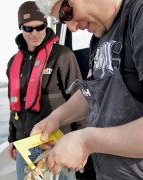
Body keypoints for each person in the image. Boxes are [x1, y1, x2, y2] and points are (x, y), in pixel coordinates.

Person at [31, 0, 143, 179]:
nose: (72, 27)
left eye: (66, 13)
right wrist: (56, 118)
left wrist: (86, 142)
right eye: (63, 21)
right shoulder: (99, 38)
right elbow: (92, 93)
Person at [6, 1, 84, 179]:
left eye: (39, 27)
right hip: (24, 147)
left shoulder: (64, 56)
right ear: (21, 28)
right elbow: (13, 105)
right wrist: (12, 139)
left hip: (57, 145)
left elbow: (81, 99)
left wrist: (81, 141)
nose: (34, 33)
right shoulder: (13, 63)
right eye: (28, 28)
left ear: (46, 25)